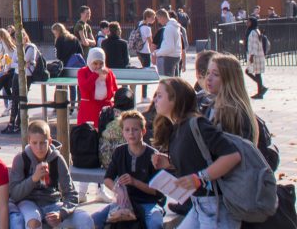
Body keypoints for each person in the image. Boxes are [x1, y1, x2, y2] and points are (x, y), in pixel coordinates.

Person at [150, 78, 244, 228]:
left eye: (159, 95)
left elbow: (232, 156)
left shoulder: (198, 125)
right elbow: (197, 160)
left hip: (215, 206)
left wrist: (200, 178)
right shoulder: (176, 128)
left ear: (175, 99)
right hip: (199, 204)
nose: (154, 99)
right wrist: (168, 163)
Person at [90, 111, 166, 229]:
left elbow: (157, 191)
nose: (131, 133)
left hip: (148, 203)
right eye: (127, 130)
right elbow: (107, 179)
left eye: (135, 129)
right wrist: (117, 189)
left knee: (155, 223)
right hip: (124, 202)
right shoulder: (119, 151)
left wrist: (134, 182)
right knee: (94, 219)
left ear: (143, 131)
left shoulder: (153, 155)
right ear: (123, 133)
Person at [10, 121, 87, 229]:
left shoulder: (57, 159)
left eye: (43, 143)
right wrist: (33, 179)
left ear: (50, 141)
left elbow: (71, 194)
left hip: (52, 202)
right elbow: (14, 194)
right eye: (34, 143)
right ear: (29, 141)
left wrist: (62, 214)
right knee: (33, 221)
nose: (39, 148)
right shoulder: (21, 159)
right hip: (28, 202)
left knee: (85, 219)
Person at [78, 47, 117, 127]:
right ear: (90, 62)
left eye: (101, 63)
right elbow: (84, 88)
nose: (98, 66)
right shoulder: (83, 72)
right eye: (95, 63)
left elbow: (114, 89)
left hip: (105, 108)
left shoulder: (108, 72)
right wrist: (95, 75)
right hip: (89, 109)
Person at [154, 9, 183, 77]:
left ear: (162, 17)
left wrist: (157, 53)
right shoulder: (175, 26)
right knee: (175, 80)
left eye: (158, 19)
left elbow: (169, 47)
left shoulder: (168, 28)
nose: (158, 21)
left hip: (169, 57)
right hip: (176, 56)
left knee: (168, 81)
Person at [244, 18, 266, 99]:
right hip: (257, 55)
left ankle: (260, 92)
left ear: (252, 22)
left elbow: (254, 44)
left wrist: (252, 56)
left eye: (248, 21)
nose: (247, 23)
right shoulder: (255, 30)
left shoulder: (253, 32)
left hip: (255, 56)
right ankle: (261, 89)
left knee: (253, 72)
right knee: (257, 73)